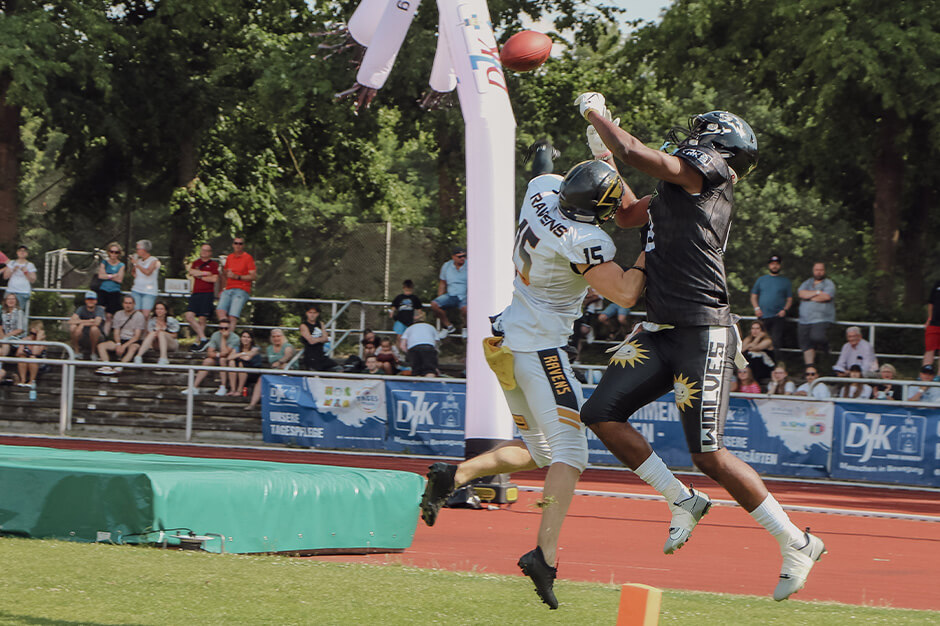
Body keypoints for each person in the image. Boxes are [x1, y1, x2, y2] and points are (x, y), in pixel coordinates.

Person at [575, 94, 824, 602]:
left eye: (698, 135)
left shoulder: (709, 174)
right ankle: (682, 499)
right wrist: (603, 154)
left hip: (702, 330)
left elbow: (638, 152)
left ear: (717, 147)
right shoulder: (678, 191)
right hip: (661, 329)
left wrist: (597, 115)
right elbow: (627, 215)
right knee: (600, 412)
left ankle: (797, 542)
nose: (688, 141)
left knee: (708, 453)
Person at [420, 156, 647, 610]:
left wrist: (592, 161)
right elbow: (625, 292)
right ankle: (544, 555)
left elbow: (561, 175)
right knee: (572, 453)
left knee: (542, 451)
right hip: (541, 349)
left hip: (509, 338)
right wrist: (650, 245)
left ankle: (454, 476)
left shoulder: (541, 189)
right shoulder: (586, 239)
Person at [183, 318, 240, 395]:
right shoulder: (215, 335)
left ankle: (223, 386)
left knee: (222, 360)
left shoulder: (235, 338)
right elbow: (209, 352)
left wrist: (223, 338)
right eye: (221, 328)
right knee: (207, 361)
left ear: (230, 328)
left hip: (230, 359)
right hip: (218, 357)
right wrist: (218, 354)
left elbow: (225, 353)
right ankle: (194, 387)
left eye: (226, 328)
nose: (223, 330)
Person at [750, 254, 792, 353]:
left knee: (775, 341)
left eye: (777, 264)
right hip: (763, 315)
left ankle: (774, 361)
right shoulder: (761, 280)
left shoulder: (785, 281)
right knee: (759, 339)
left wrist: (785, 310)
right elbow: (753, 296)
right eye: (772, 264)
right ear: (769, 265)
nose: (774, 266)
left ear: (780, 265)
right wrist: (756, 308)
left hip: (778, 316)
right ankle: (756, 359)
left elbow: (789, 299)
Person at [797, 263, 836, 366]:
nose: (819, 272)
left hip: (821, 318)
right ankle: (810, 367)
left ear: (824, 271)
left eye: (821, 270)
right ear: (813, 271)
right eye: (816, 270)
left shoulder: (828, 283)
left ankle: (826, 347)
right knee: (806, 345)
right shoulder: (807, 282)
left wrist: (808, 297)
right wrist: (818, 292)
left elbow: (826, 297)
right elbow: (801, 294)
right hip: (804, 320)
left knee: (817, 337)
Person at [95, 295, 146, 374]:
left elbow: (137, 336)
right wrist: (118, 344)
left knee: (133, 348)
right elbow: (116, 331)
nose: (128, 305)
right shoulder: (118, 314)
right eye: (126, 303)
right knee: (101, 346)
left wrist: (124, 346)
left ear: (134, 304)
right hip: (120, 339)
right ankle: (106, 366)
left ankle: (120, 366)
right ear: (123, 304)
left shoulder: (139, 316)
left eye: (130, 303)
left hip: (132, 340)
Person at [246, 328, 295, 409]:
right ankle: (252, 404)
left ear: (282, 337)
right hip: (274, 372)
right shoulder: (269, 348)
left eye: (278, 336)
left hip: (288, 372)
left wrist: (279, 362)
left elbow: (288, 355)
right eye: (274, 336)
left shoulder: (287, 346)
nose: (276, 338)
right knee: (261, 379)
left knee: (284, 366)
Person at [185, 243, 220, 352]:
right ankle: (204, 338)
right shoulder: (196, 262)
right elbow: (191, 271)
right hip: (196, 293)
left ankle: (198, 342)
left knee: (202, 318)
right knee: (189, 316)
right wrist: (206, 273)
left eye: (206, 250)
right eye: (202, 250)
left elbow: (214, 279)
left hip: (207, 293)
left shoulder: (213, 264)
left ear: (210, 253)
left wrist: (199, 275)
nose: (204, 252)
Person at [216, 236, 256, 330]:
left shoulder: (248, 258)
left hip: (242, 289)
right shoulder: (229, 257)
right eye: (236, 243)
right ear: (233, 245)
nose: (238, 245)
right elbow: (225, 275)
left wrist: (237, 277)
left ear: (243, 245)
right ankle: (225, 332)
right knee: (220, 311)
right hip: (228, 289)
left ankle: (230, 337)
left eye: (240, 243)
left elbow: (253, 276)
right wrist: (222, 289)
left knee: (232, 316)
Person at [429, 247, 467, 338]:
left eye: (464, 256)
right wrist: (440, 297)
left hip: (465, 295)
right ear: (453, 257)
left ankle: (466, 327)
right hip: (451, 295)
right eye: (460, 257)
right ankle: (448, 326)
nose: (463, 258)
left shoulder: (470, 265)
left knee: (466, 309)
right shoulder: (446, 266)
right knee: (435, 304)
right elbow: (442, 283)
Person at [134, 301, 180, 365]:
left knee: (161, 333)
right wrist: (156, 334)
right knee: (152, 333)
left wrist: (162, 333)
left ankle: (163, 358)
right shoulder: (152, 321)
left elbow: (175, 335)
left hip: (171, 344)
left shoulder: (171, 320)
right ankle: (138, 356)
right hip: (157, 344)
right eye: (157, 309)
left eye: (161, 309)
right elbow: (149, 336)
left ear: (165, 311)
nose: (159, 311)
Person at [398, 309, 440, 377]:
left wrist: (409, 353)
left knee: (416, 371)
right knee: (429, 370)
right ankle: (429, 381)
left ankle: (416, 381)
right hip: (428, 347)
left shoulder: (409, 328)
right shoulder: (431, 327)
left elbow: (402, 346)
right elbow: (436, 343)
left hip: (413, 348)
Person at [299, 304, 338, 371]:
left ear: (317, 314)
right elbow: (311, 341)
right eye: (310, 313)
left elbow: (325, 338)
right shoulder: (304, 325)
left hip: (321, 355)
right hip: (310, 356)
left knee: (338, 368)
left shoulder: (320, 324)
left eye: (314, 313)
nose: (312, 315)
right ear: (306, 313)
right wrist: (321, 339)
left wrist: (317, 339)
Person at [96, 242, 126, 328]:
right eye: (111, 251)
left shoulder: (121, 265)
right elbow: (100, 276)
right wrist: (113, 276)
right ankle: (98, 331)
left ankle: (106, 333)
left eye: (116, 252)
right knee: (100, 313)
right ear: (108, 252)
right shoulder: (104, 262)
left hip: (114, 291)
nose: (113, 254)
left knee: (109, 316)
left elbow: (119, 279)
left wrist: (107, 276)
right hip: (103, 290)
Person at [68, 291, 106, 359]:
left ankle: (93, 353)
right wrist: (86, 322)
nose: (90, 301)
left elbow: (97, 323)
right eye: (88, 299)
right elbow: (71, 321)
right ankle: (76, 352)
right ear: (85, 300)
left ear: (96, 301)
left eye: (92, 299)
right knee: (72, 327)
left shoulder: (99, 309)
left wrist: (81, 323)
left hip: (98, 336)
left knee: (94, 329)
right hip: (83, 334)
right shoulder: (81, 308)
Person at [129, 239, 161, 319]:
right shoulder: (139, 261)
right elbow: (133, 272)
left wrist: (137, 264)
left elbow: (148, 272)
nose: (137, 251)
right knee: (136, 314)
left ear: (144, 250)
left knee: (145, 315)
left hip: (149, 291)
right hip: (137, 290)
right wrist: (134, 264)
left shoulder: (154, 260)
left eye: (138, 249)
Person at [0, 292, 27, 383]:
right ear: (5, 301)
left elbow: (20, 329)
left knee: (4, 345)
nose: (11, 301)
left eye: (13, 299)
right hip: (5, 339)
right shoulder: (3, 313)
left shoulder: (19, 312)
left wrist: (6, 336)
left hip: (16, 338)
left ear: (16, 301)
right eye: (9, 299)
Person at [227, 330, 263, 398]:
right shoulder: (237, 347)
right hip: (240, 370)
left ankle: (239, 390)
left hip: (253, 371)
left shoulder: (255, 348)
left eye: (248, 337)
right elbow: (229, 357)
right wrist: (242, 353)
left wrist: (237, 355)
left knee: (241, 364)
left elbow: (247, 358)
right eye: (244, 337)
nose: (246, 339)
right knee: (231, 362)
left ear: (251, 339)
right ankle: (233, 389)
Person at [2, 245, 37, 311]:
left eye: (24, 251)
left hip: (23, 292)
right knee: (6, 310)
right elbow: (5, 277)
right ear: (17, 252)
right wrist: (13, 270)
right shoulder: (11, 263)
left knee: (17, 311)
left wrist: (26, 273)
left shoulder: (30, 265)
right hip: (11, 290)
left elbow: (33, 280)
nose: (22, 252)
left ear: (27, 253)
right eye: (20, 251)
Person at [14, 321, 46, 388]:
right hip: (26, 361)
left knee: (32, 358)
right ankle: (23, 380)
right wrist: (24, 352)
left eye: (34, 334)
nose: (32, 335)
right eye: (31, 333)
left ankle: (32, 381)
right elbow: (18, 353)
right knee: (22, 357)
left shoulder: (43, 342)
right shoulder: (25, 340)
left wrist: (38, 340)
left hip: (38, 363)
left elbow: (35, 353)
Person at [922, 278, 940, 371]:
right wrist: (929, 318)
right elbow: (931, 303)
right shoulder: (937, 283)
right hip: (934, 323)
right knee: (929, 349)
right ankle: (925, 373)